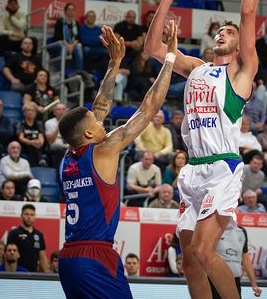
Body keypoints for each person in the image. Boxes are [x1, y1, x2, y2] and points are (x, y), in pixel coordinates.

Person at [144, 0, 267, 299]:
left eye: (229, 32)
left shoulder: (241, 73)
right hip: (194, 169)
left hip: (222, 168)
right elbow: (154, 46)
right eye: (220, 30)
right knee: (189, 259)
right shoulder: (198, 67)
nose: (222, 32)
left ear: (238, 45)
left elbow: (248, 12)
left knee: (204, 250)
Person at [56, 21, 177, 299]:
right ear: (88, 133)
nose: (102, 122)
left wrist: (114, 64)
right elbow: (149, 108)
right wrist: (170, 55)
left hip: (69, 259)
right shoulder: (104, 149)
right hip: (95, 256)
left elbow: (99, 107)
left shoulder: (68, 158)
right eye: (96, 123)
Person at [210, 224, 262, 298]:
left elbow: (245, 258)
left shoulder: (242, 231)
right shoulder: (213, 229)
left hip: (235, 281)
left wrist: (254, 284)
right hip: (215, 280)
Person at [7, 204, 49, 272]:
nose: (29, 217)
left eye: (32, 215)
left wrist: (47, 275)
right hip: (17, 274)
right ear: (21, 216)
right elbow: (9, 256)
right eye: (26, 214)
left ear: (35, 217)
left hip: (33, 275)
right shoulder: (14, 233)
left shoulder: (39, 235)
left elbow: (42, 258)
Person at [51, 3, 83, 71]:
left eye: (73, 9)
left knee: (78, 47)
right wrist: (68, 46)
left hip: (72, 44)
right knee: (64, 48)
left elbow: (78, 38)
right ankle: (62, 71)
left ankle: (79, 71)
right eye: (69, 9)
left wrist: (72, 45)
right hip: (62, 43)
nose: (71, 11)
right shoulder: (60, 22)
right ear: (65, 11)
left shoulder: (76, 23)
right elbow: (57, 37)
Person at [16, 102, 46, 167]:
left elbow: (41, 137)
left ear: (35, 113)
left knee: (35, 146)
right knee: (32, 146)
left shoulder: (38, 124)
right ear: (24, 113)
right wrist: (30, 142)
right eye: (28, 110)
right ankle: (40, 160)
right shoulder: (21, 124)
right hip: (25, 145)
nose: (30, 112)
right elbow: (21, 138)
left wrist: (40, 143)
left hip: (37, 146)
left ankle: (36, 165)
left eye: (32, 110)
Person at [44, 102, 69, 168]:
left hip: (68, 144)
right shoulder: (49, 123)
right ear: (54, 112)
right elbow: (50, 141)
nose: (61, 111)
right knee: (59, 148)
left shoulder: (71, 122)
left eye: (63, 109)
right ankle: (58, 173)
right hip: (55, 144)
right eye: (59, 109)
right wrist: (59, 125)